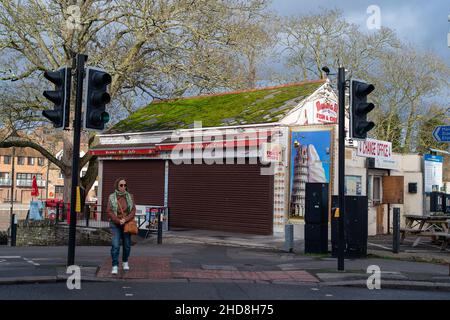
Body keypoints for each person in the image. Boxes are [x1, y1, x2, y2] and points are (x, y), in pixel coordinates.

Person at [106, 178, 136, 275]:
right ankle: (115, 265)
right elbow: (109, 211)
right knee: (115, 245)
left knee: (127, 245)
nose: (123, 187)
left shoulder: (130, 196)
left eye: (125, 185)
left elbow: (133, 211)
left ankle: (125, 261)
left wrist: (125, 219)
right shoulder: (111, 197)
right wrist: (118, 220)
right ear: (117, 186)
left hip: (126, 224)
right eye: (121, 185)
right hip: (115, 224)